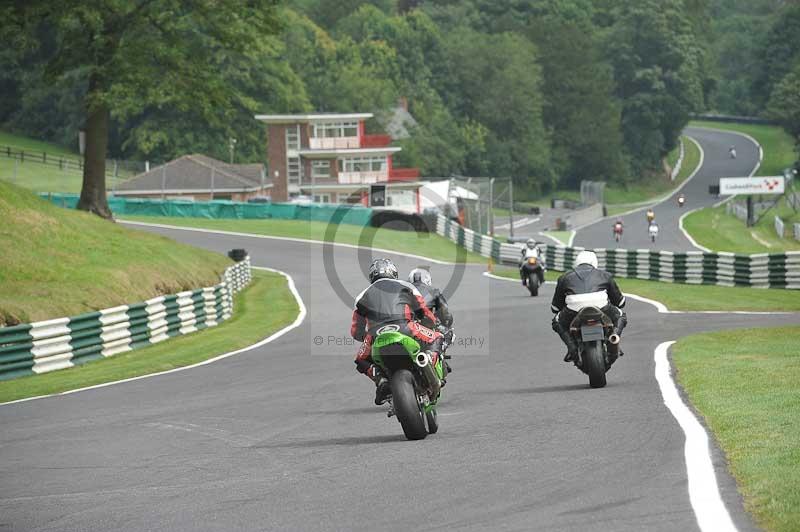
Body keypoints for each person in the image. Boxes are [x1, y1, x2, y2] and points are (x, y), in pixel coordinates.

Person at [352, 258, 443, 405]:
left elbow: (356, 330)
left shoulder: (361, 296)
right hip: (406, 327)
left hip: (376, 334)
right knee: (438, 338)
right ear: (393, 272)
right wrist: (429, 323)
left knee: (361, 359)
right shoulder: (406, 286)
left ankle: (380, 379)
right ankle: (427, 360)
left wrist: (366, 336)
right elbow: (424, 313)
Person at [550, 250, 627, 363]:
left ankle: (571, 347)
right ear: (594, 262)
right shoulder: (605, 275)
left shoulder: (564, 277)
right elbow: (620, 303)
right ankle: (614, 337)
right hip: (601, 306)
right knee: (621, 315)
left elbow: (555, 308)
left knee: (556, 321)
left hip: (574, 309)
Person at [408, 267, 454, 373]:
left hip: (406, 325)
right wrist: (443, 322)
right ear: (427, 279)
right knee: (448, 332)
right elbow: (446, 316)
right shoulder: (434, 291)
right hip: (425, 327)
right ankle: (439, 357)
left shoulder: (403, 290)